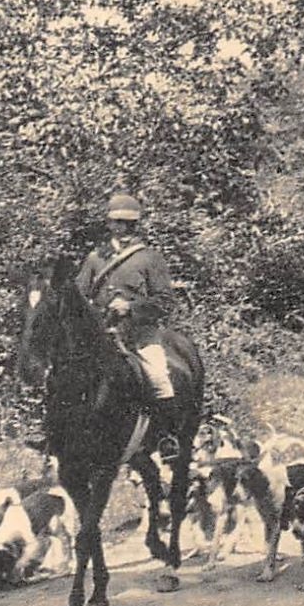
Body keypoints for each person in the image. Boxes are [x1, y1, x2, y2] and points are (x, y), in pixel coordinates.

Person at [73, 192, 183, 453]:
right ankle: (56, 438)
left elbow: (165, 302)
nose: (121, 229)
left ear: (135, 225)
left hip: (139, 336)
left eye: (127, 224)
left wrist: (130, 308)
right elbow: (77, 299)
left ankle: (166, 438)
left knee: (158, 378)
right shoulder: (95, 259)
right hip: (100, 337)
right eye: (116, 222)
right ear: (109, 224)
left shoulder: (150, 259)